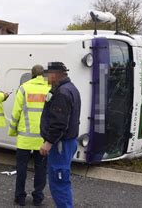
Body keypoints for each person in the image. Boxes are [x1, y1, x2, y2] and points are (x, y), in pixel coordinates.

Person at [39, 62, 81, 208]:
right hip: (67, 142)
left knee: (59, 180)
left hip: (60, 144)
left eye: (48, 75)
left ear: (55, 74)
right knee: (61, 179)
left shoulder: (62, 92)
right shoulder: (70, 88)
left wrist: (48, 142)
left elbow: (59, 122)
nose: (46, 78)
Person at [9, 65, 50, 206]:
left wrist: (13, 131)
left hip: (25, 138)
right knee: (41, 169)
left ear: (31, 74)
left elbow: (16, 113)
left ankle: (20, 197)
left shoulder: (24, 88)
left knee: (21, 168)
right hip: (42, 138)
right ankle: (38, 197)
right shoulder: (50, 89)